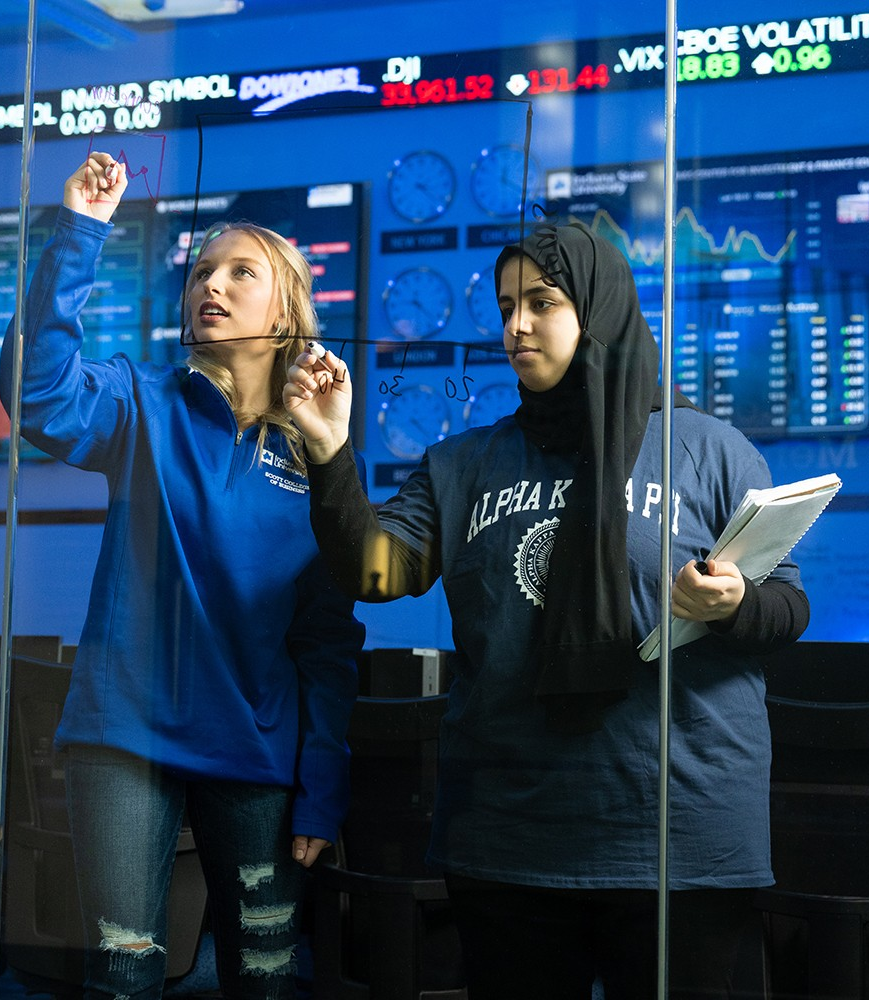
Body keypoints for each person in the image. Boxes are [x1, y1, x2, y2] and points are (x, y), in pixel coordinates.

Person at [283, 221, 810, 1000]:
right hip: (510, 837)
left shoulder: (705, 448)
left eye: (541, 301)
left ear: (597, 308)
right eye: (505, 307)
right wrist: (329, 454)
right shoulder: (464, 463)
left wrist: (732, 603)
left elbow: (788, 609)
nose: (515, 326)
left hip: (680, 841)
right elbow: (376, 572)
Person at [0, 151, 364, 1000]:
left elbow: (328, 641)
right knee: (124, 980)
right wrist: (82, 229)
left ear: (287, 310)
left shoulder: (320, 454)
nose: (214, 284)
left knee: (263, 983)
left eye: (243, 271)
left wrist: (323, 788)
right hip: (124, 738)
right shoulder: (141, 403)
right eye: (203, 270)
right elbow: (41, 393)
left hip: (256, 750)